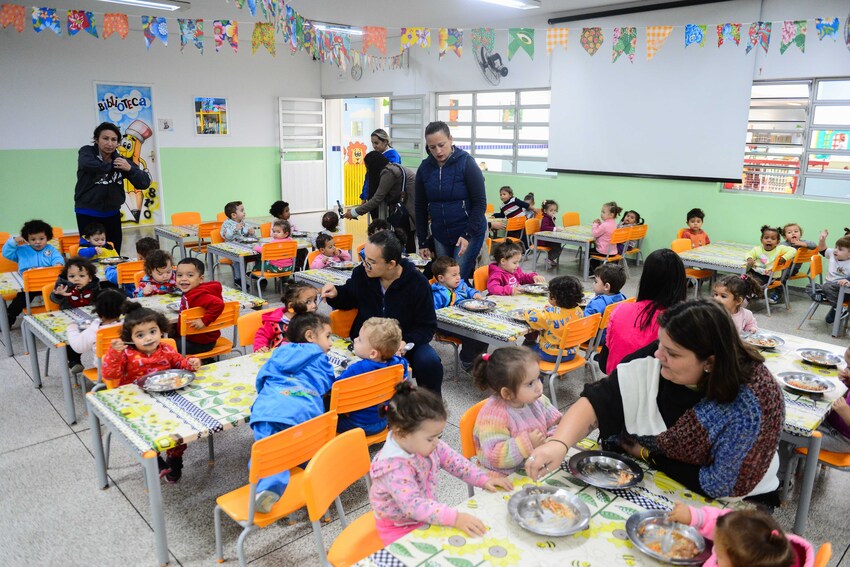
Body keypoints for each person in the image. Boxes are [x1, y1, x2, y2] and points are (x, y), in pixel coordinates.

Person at [527, 300, 785, 502]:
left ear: (710, 362)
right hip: (656, 478)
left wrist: (644, 453)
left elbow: (722, 484)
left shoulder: (750, 404)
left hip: (731, 500)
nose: (658, 355)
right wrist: (559, 444)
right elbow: (599, 400)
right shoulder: (657, 357)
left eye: (672, 353)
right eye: (660, 344)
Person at [369, 382, 514, 545]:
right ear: (401, 434)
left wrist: (483, 479)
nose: (436, 443)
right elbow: (414, 506)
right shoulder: (393, 468)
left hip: (426, 514)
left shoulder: (425, 443)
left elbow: (455, 462)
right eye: (431, 438)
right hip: (398, 529)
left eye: (438, 436)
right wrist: (455, 517)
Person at [321, 231, 443, 395]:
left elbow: (427, 327)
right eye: (364, 258)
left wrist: (405, 341)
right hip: (367, 342)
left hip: (402, 342)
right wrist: (336, 293)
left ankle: (430, 409)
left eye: (371, 262)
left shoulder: (417, 283)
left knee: (430, 363)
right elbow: (349, 296)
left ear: (391, 264)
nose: (365, 264)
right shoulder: (362, 274)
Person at [102, 303, 200, 482]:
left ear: (160, 330)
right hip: (138, 404)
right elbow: (110, 374)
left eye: (152, 332)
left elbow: (181, 365)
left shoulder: (166, 349)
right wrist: (113, 354)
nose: (148, 338)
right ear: (130, 338)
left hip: (168, 399)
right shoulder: (126, 354)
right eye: (140, 335)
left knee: (180, 429)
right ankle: (155, 461)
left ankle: (175, 458)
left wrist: (191, 363)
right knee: (142, 433)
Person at [249, 312, 336, 513]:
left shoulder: (279, 353)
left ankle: (268, 486)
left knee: (266, 449)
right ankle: (311, 474)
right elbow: (327, 383)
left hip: (268, 409)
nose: (331, 342)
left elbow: (262, 378)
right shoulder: (321, 359)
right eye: (328, 336)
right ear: (310, 337)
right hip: (304, 410)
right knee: (305, 443)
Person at [472, 347, 561, 475]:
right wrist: (527, 443)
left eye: (538, 378)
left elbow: (557, 423)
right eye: (530, 383)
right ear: (508, 393)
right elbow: (495, 457)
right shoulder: (494, 417)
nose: (539, 387)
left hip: (534, 464)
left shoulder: (537, 400)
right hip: (502, 476)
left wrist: (551, 441)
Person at [415, 121, 487, 281]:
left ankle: (466, 303)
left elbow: (480, 203)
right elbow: (419, 207)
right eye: (432, 147)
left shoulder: (466, 163)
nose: (438, 151)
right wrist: (422, 241)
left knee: (456, 277)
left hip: (468, 231)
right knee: (443, 278)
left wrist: (467, 234)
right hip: (441, 232)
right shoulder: (425, 168)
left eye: (441, 145)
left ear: (451, 139)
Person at [600, 248, 687, 374]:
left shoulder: (621, 309)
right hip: (651, 390)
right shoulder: (681, 324)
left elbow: (604, 363)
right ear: (680, 282)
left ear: (645, 278)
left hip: (616, 383)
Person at [75, 122, 151, 254]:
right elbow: (91, 166)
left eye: (114, 139)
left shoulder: (121, 161)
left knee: (113, 252)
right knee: (90, 253)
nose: (110, 143)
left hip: (112, 214)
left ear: (118, 142)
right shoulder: (87, 152)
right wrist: (113, 166)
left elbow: (144, 182)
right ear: (96, 140)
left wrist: (130, 169)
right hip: (87, 213)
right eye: (105, 138)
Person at [668, 503, 814, 567]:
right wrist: (697, 516)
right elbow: (726, 520)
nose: (714, 551)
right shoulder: (761, 540)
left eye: (718, 558)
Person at [335, 317, 410, 435]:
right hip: (383, 421)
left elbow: (336, 387)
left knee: (324, 412)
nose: (354, 339)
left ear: (373, 353)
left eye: (360, 339)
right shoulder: (399, 364)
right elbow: (405, 370)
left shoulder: (358, 369)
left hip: (357, 425)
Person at [345, 151, 417, 253]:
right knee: (407, 238)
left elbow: (377, 199)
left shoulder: (388, 172)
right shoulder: (392, 167)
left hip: (409, 209)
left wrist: (354, 212)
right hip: (410, 206)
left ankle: (407, 264)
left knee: (406, 238)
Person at [430, 255, 489, 371]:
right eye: (454, 275)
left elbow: (469, 290)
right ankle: (467, 361)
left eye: (458, 274)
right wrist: (435, 330)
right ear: (441, 278)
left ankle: (479, 357)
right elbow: (432, 314)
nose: (458, 277)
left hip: (466, 320)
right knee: (471, 335)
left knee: (484, 331)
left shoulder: (461, 285)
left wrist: (475, 294)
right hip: (448, 326)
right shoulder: (437, 294)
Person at [2, 219, 65, 327]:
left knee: (63, 294)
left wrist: (58, 263)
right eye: (33, 239)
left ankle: (65, 315)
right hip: (30, 285)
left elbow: (57, 258)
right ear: (27, 239)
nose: (37, 242)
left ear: (47, 238)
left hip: (48, 283)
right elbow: (6, 253)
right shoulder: (21, 250)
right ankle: (9, 318)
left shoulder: (50, 249)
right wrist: (15, 241)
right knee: (19, 301)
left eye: (41, 238)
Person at [50, 257, 103, 374]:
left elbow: (99, 300)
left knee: (105, 331)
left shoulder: (94, 287)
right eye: (72, 276)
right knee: (70, 339)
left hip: (90, 321)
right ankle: (74, 361)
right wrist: (59, 295)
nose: (76, 279)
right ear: (67, 277)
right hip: (71, 322)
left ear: (90, 278)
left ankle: (103, 361)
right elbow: (54, 299)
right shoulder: (64, 287)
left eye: (82, 276)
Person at [524, 275, 585, 363]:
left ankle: (535, 372)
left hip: (550, 354)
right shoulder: (579, 311)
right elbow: (563, 314)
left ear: (554, 297)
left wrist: (527, 311)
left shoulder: (549, 315)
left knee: (525, 348)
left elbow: (533, 317)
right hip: (571, 353)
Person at [175, 258, 224, 356]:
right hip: (203, 338)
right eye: (179, 275)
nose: (184, 279)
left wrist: (204, 321)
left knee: (165, 345)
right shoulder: (194, 291)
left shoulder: (198, 295)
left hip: (200, 342)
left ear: (201, 279)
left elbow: (218, 304)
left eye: (190, 275)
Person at [253, 281, 318, 352]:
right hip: (280, 358)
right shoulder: (275, 322)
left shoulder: (311, 320)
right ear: (291, 306)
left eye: (314, 301)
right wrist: (261, 346)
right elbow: (262, 335)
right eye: (308, 302)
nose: (314, 305)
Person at [66, 289, 125, 360]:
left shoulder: (95, 330)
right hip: (126, 365)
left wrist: (71, 328)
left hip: (104, 368)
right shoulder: (127, 325)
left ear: (97, 311)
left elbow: (78, 347)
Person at [746, 225, 795, 305]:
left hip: (769, 276)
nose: (769, 240)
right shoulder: (757, 249)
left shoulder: (779, 249)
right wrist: (749, 258)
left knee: (753, 283)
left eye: (773, 239)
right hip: (754, 272)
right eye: (766, 238)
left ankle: (750, 295)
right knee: (742, 280)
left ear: (777, 242)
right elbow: (749, 253)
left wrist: (784, 257)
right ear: (761, 240)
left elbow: (793, 251)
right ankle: (744, 294)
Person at [814, 228, 850, 324]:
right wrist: (822, 240)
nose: (836, 250)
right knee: (811, 287)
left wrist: (848, 282)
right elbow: (822, 250)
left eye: (840, 249)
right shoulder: (833, 254)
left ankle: (838, 308)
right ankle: (836, 306)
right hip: (829, 286)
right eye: (836, 247)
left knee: (827, 286)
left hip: (842, 289)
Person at [819, 345, 850, 453]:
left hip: (843, 440)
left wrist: (847, 413)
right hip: (830, 425)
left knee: (791, 437)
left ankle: (783, 470)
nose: (846, 369)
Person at [359, 128, 401, 202]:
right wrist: (364, 195)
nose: (374, 146)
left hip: (387, 196)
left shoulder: (393, 155)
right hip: (374, 193)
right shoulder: (375, 155)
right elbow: (368, 176)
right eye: (372, 143)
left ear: (385, 142)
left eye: (376, 143)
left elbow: (391, 178)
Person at [589, 201, 622, 269]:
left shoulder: (605, 225)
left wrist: (595, 224)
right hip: (613, 252)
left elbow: (595, 233)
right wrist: (600, 224)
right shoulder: (614, 224)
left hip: (604, 252)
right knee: (592, 250)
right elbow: (605, 231)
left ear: (611, 215)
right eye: (601, 211)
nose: (601, 214)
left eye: (603, 212)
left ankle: (593, 271)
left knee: (588, 252)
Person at [538, 199, 562, 269]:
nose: (553, 212)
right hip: (543, 240)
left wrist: (556, 228)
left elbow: (552, 226)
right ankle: (549, 258)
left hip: (548, 239)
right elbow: (544, 227)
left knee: (558, 244)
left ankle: (550, 258)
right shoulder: (546, 218)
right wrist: (555, 229)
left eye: (555, 210)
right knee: (557, 246)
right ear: (545, 211)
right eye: (551, 210)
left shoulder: (551, 218)